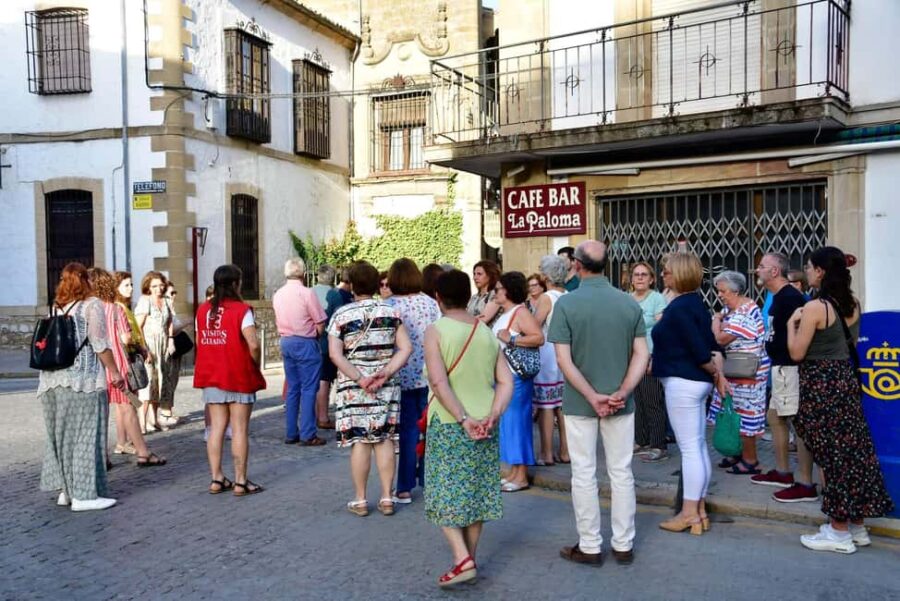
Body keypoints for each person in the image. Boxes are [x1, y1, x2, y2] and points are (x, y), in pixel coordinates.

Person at [787, 246, 893, 553]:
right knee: (852, 454)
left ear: (820, 271)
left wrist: (789, 325)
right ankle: (856, 524)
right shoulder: (853, 303)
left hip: (821, 386)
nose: (806, 272)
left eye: (808, 267)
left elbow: (796, 353)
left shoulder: (815, 308)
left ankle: (838, 530)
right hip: (845, 382)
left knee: (831, 459)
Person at [548, 241, 648, 566]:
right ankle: (623, 544)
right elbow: (642, 354)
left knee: (584, 473)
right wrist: (622, 391)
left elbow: (563, 360)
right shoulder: (628, 304)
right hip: (621, 402)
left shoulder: (566, 304)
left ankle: (590, 545)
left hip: (580, 403)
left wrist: (592, 396)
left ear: (576, 265)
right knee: (621, 472)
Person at [423, 269, 514, 587]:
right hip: (486, 422)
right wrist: (493, 414)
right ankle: (469, 559)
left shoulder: (436, 331)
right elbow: (506, 381)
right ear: (468, 296)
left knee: (442, 490)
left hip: (451, 422)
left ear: (438, 298)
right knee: (476, 493)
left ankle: (462, 560)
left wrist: (463, 417)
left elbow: (438, 380)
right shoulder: (485, 331)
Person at [38, 263, 126, 511]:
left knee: (62, 437)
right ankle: (85, 496)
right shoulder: (92, 305)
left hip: (51, 381)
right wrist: (115, 371)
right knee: (86, 436)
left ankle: (67, 491)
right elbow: (99, 344)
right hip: (83, 380)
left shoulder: (56, 307)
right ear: (86, 280)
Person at [328, 261, 412, 517]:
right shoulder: (391, 312)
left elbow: (335, 354)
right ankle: (387, 497)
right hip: (385, 385)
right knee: (385, 439)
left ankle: (361, 499)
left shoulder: (341, 316)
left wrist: (359, 378)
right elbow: (406, 349)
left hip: (354, 388)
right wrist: (385, 372)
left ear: (352, 285)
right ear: (377, 284)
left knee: (361, 442)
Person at [652, 252, 728, 536]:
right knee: (696, 447)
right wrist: (714, 373)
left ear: (680, 274)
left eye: (668, 272)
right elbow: (710, 344)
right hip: (694, 382)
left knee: (689, 450)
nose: (664, 275)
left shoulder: (682, 307)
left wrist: (713, 371)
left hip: (683, 381)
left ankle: (688, 514)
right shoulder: (694, 303)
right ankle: (699, 512)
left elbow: (700, 349)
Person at [750, 253, 818, 503]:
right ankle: (782, 471)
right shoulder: (778, 297)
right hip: (779, 367)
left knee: (797, 424)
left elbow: (800, 332)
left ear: (775, 272)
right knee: (775, 417)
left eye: (761, 267)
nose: (757, 270)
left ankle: (805, 482)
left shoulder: (790, 297)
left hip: (789, 368)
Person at [195, 264, 267, 496]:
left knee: (216, 428)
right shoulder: (241, 310)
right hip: (237, 373)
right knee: (239, 429)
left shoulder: (203, 310)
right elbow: (253, 343)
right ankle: (240, 481)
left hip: (211, 373)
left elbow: (200, 342)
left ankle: (216, 478)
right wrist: (254, 364)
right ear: (236, 284)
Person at [384, 258, 441, 504]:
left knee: (406, 432)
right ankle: (429, 480)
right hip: (429, 375)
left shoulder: (389, 305)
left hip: (401, 375)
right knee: (429, 430)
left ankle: (404, 487)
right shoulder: (430, 304)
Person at [94, 269, 165, 467]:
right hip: (118, 365)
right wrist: (139, 347)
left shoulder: (91, 309)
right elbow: (126, 338)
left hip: (99, 368)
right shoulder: (115, 310)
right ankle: (143, 452)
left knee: (102, 413)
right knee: (129, 409)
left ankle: (104, 455)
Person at [707, 271, 770, 474]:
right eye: (719, 291)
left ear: (735, 291)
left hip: (748, 376)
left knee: (746, 417)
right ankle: (738, 454)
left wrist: (716, 321)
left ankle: (751, 461)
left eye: (723, 291)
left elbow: (720, 339)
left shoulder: (744, 312)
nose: (720, 295)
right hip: (735, 373)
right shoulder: (732, 310)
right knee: (733, 414)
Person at [491, 271, 543, 492]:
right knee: (508, 425)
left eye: (498, 289)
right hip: (506, 377)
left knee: (516, 424)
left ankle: (521, 476)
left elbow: (538, 337)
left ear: (508, 290)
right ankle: (514, 471)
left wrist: (511, 338)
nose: (495, 292)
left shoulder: (520, 312)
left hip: (516, 378)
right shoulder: (507, 312)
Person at [273, 258, 327, 446]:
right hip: (305, 340)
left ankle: (291, 432)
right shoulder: (307, 293)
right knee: (309, 388)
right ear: (303, 273)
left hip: (286, 341)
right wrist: (317, 335)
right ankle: (307, 433)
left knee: (293, 388)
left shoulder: (278, 294)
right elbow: (320, 321)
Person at [630, 261, 669, 463]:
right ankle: (641, 440)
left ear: (652, 279)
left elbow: (661, 325)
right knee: (637, 401)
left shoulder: (657, 298)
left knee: (653, 401)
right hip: (631, 357)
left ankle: (658, 445)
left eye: (644, 274)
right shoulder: (627, 299)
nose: (640, 278)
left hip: (651, 355)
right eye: (636, 274)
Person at [533, 256, 570, 465]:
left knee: (546, 405)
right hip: (565, 352)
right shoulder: (569, 295)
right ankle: (566, 450)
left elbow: (535, 324)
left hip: (548, 352)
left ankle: (546, 452)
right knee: (562, 404)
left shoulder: (546, 298)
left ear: (546, 276)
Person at [134, 271, 175, 434]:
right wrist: (144, 350)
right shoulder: (145, 301)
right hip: (149, 345)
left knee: (161, 382)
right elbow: (138, 327)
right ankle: (142, 422)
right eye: (154, 286)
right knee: (148, 384)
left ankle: (154, 418)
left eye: (160, 285)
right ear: (148, 287)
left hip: (163, 345)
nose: (158, 288)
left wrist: (171, 339)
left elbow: (170, 320)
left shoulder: (165, 301)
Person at [159, 279, 186, 427]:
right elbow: (166, 330)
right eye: (171, 293)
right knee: (168, 379)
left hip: (176, 350)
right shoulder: (164, 308)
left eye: (175, 292)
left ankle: (168, 409)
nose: (174, 295)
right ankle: (165, 412)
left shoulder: (171, 307)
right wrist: (185, 323)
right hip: (167, 349)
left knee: (173, 379)